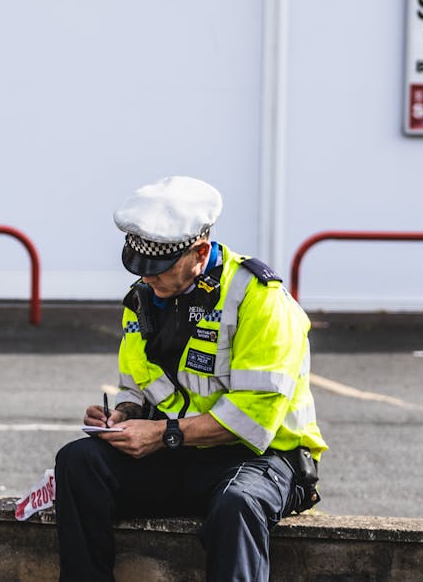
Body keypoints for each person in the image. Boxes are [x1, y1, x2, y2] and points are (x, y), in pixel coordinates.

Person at [54, 176, 328, 582]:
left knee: (238, 504)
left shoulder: (261, 299)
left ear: (200, 252)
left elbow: (253, 419)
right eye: (141, 269)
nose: (149, 280)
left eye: (160, 269)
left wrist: (160, 434)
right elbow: (138, 385)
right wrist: (125, 414)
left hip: (265, 458)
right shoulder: (143, 297)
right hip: (181, 449)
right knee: (78, 463)